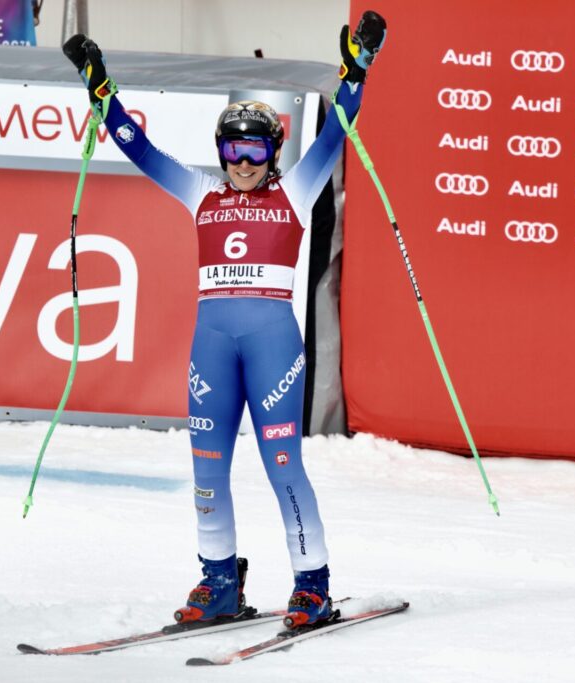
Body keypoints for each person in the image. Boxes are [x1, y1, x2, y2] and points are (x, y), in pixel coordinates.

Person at [61, 11, 386, 629]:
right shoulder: (200, 193)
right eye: (233, 148)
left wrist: (359, 69)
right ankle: (218, 581)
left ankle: (311, 586)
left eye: (254, 149)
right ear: (221, 152)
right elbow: (138, 147)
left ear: (271, 152)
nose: (243, 162)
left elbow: (339, 128)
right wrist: (99, 86)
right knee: (206, 466)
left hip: (271, 345)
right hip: (211, 345)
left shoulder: (295, 190)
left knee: (282, 463)